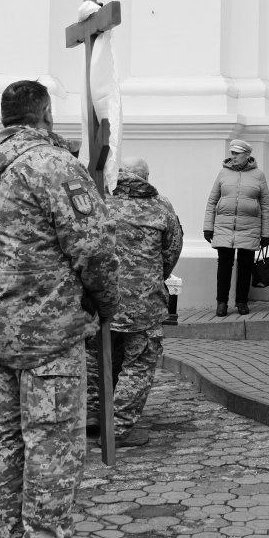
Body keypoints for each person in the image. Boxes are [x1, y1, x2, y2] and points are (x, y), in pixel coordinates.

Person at [0, 79, 117, 538]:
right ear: (46, 114)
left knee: (11, 439)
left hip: (3, 324)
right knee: (52, 442)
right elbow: (94, 248)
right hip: (49, 328)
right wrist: (106, 301)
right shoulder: (51, 165)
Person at [86, 156, 183, 448]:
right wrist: (151, 277)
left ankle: (92, 414)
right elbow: (172, 249)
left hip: (102, 300)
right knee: (138, 363)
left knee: (97, 358)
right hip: (143, 304)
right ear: (146, 176)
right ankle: (118, 427)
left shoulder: (100, 202)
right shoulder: (160, 206)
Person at [202, 139, 269, 316]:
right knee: (224, 265)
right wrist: (208, 227)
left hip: (249, 227)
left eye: (236, 153)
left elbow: (266, 206)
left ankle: (241, 301)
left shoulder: (258, 175)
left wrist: (266, 233)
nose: (232, 156)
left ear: (247, 155)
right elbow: (212, 201)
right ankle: (222, 303)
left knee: (245, 265)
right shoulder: (223, 174)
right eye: (231, 153)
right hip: (224, 227)